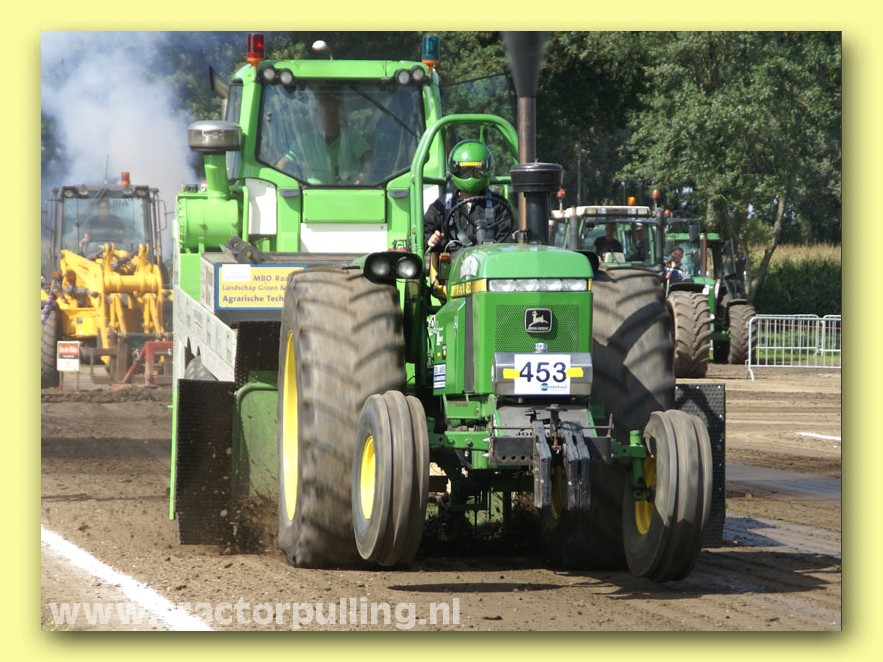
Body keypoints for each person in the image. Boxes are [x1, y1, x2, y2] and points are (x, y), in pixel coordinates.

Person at [425, 140, 513, 252]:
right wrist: (431, 240)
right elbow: (425, 233)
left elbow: (507, 241)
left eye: (477, 171)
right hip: (452, 260)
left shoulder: (499, 205)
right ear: (454, 171)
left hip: (488, 259)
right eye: (465, 171)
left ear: (487, 169)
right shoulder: (442, 205)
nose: (471, 176)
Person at [275, 93, 372, 184]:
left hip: (349, 190)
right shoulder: (306, 139)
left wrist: (364, 175)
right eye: (327, 113)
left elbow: (368, 157)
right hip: (312, 191)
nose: (331, 117)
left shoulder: (351, 137)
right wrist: (283, 183)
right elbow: (284, 162)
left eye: (335, 113)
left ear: (340, 116)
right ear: (318, 115)